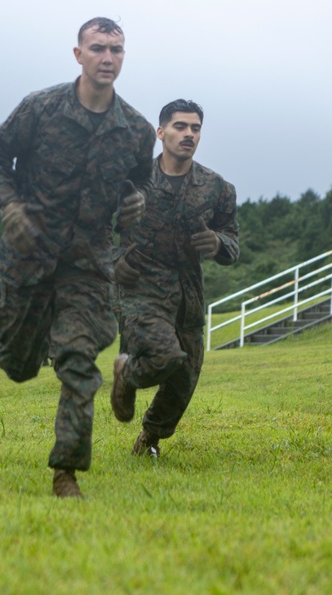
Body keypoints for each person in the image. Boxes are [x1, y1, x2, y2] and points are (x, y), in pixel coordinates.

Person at [0, 17, 155, 498]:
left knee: (80, 361)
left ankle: (67, 473)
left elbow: (141, 180)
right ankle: (27, 343)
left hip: (87, 262)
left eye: (116, 50)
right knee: (17, 365)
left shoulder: (137, 130)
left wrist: (137, 200)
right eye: (98, 48)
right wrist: (11, 206)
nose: (107, 58)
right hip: (28, 253)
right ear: (78, 55)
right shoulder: (40, 109)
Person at [110, 99, 240, 457]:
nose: (189, 134)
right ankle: (127, 372)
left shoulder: (217, 188)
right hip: (139, 291)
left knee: (185, 377)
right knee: (165, 357)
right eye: (180, 126)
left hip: (188, 298)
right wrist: (113, 263)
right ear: (161, 131)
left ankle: (149, 439)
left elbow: (232, 243)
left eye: (195, 128)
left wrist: (217, 242)